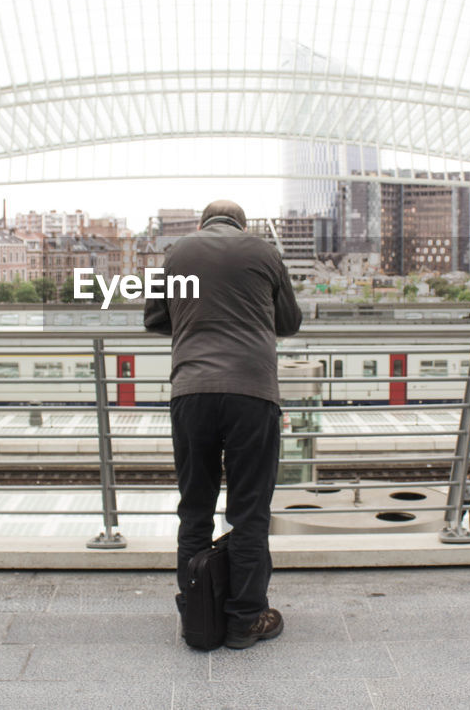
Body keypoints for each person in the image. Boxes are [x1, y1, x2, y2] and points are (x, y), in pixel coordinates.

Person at [144, 199, 302, 649]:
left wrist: (197, 319)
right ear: (242, 224)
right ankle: (244, 620)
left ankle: (195, 614)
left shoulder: (179, 253)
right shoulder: (264, 251)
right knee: (249, 511)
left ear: (202, 224)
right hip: (252, 392)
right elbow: (289, 322)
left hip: (192, 389)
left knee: (195, 508)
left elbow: (155, 318)